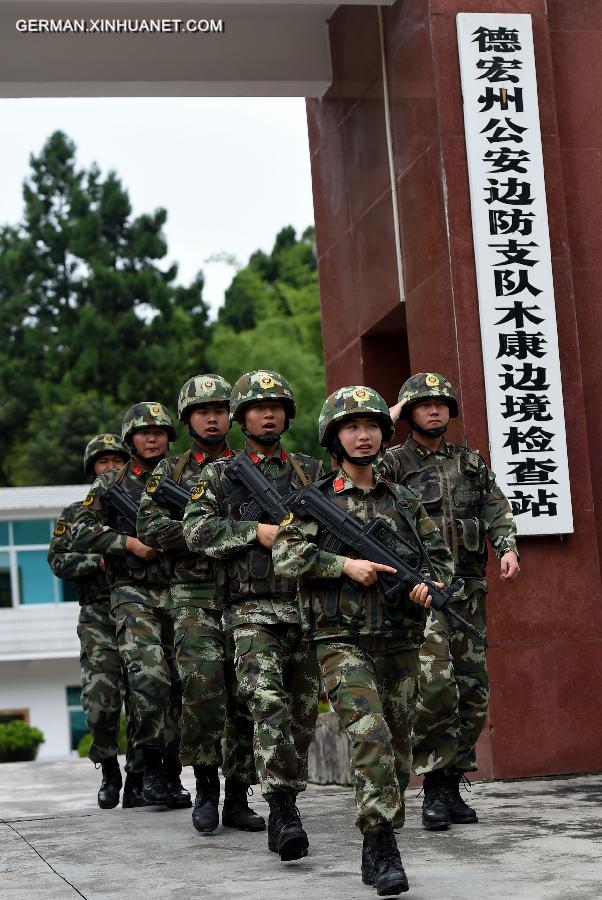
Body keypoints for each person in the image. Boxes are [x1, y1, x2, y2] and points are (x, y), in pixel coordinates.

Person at [272, 385, 453, 895]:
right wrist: (342, 564)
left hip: (397, 638)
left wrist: (427, 587)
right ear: (335, 437)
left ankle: (381, 837)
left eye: (371, 426)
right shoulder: (314, 501)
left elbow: (438, 560)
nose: (363, 434)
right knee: (370, 736)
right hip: (340, 640)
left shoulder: (405, 501)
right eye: (352, 427)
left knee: (396, 747)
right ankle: (381, 845)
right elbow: (286, 557)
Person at [183, 370, 323, 862]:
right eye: (258, 408)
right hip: (250, 611)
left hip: (306, 610)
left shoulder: (310, 470)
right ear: (241, 417)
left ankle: (283, 793)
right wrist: (253, 533)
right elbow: (196, 532)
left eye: (277, 406)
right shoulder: (219, 475)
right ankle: (282, 810)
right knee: (266, 704)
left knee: (303, 717)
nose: (269, 414)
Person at [384, 373, 520, 830]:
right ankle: (434, 788)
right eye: (423, 404)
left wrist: (507, 548)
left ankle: (453, 779)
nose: (435, 410)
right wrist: (391, 416)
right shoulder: (393, 462)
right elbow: (351, 467)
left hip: (467, 592)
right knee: (436, 687)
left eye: (441, 403)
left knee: (473, 690)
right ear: (408, 413)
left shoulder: (469, 463)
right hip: (423, 594)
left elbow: (494, 508)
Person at [137, 374, 264, 835]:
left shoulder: (251, 465)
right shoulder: (168, 473)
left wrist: (230, 533)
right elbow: (149, 527)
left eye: (220, 410)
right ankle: (206, 787)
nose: (213, 419)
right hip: (192, 596)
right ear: (188, 419)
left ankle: (237, 795)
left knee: (247, 695)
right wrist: (202, 534)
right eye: (202, 412)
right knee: (202, 688)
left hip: (247, 592)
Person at [72, 402, 188, 808]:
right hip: (132, 593)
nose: (152, 437)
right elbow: (79, 532)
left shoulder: (185, 474)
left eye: (159, 431)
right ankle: (147, 766)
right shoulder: (110, 486)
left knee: (179, 686)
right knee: (149, 678)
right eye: (143, 432)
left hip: (181, 591)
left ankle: (169, 773)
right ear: (131, 440)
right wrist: (127, 544)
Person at [48, 433, 146, 808]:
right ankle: (108, 767)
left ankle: (138, 775)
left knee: (145, 695)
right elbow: (58, 561)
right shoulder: (77, 514)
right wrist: (102, 561)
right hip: (98, 614)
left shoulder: (140, 506)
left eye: (116, 461)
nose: (110, 468)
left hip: (140, 609)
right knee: (100, 699)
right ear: (92, 470)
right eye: (102, 463)